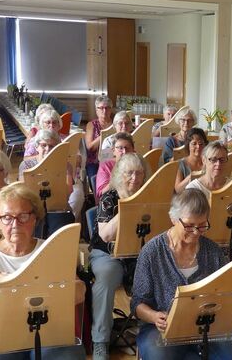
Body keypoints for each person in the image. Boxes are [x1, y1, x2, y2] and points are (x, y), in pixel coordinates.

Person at [0, 183, 85, 360]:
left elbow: (80, 292)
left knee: (69, 356)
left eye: (22, 216)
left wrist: (53, 287)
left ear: (34, 218)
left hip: (48, 333)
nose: (15, 224)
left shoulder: (50, 249)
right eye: (6, 217)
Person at [131, 189, 232, 359]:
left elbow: (225, 294)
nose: (195, 232)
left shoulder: (213, 252)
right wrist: (155, 316)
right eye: (189, 225)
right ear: (173, 219)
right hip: (162, 328)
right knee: (159, 355)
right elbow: (137, 304)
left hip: (207, 327)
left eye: (202, 226)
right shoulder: (152, 252)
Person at [89, 153, 150, 359]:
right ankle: (100, 340)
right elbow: (105, 235)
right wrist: (129, 207)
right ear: (118, 175)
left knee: (156, 275)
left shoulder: (149, 196)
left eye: (139, 173)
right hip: (107, 255)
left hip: (138, 254)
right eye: (129, 173)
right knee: (105, 280)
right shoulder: (110, 196)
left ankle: (148, 334)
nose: (135, 178)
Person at [95, 132, 135, 201]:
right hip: (112, 202)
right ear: (113, 151)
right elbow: (101, 193)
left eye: (127, 148)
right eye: (120, 148)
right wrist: (120, 177)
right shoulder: (106, 165)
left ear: (133, 150)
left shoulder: (138, 163)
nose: (124, 152)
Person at [85, 95, 114, 179]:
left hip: (113, 160)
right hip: (95, 162)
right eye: (101, 108)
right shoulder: (91, 125)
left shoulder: (116, 124)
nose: (104, 111)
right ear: (96, 110)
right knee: (96, 179)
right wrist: (105, 134)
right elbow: (90, 147)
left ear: (111, 109)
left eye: (107, 108)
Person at [174, 128, 208, 193]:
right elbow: (178, 190)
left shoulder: (209, 162)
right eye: (194, 144)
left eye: (201, 144)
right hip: (187, 200)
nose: (198, 147)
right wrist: (191, 177)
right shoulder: (180, 164)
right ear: (188, 145)